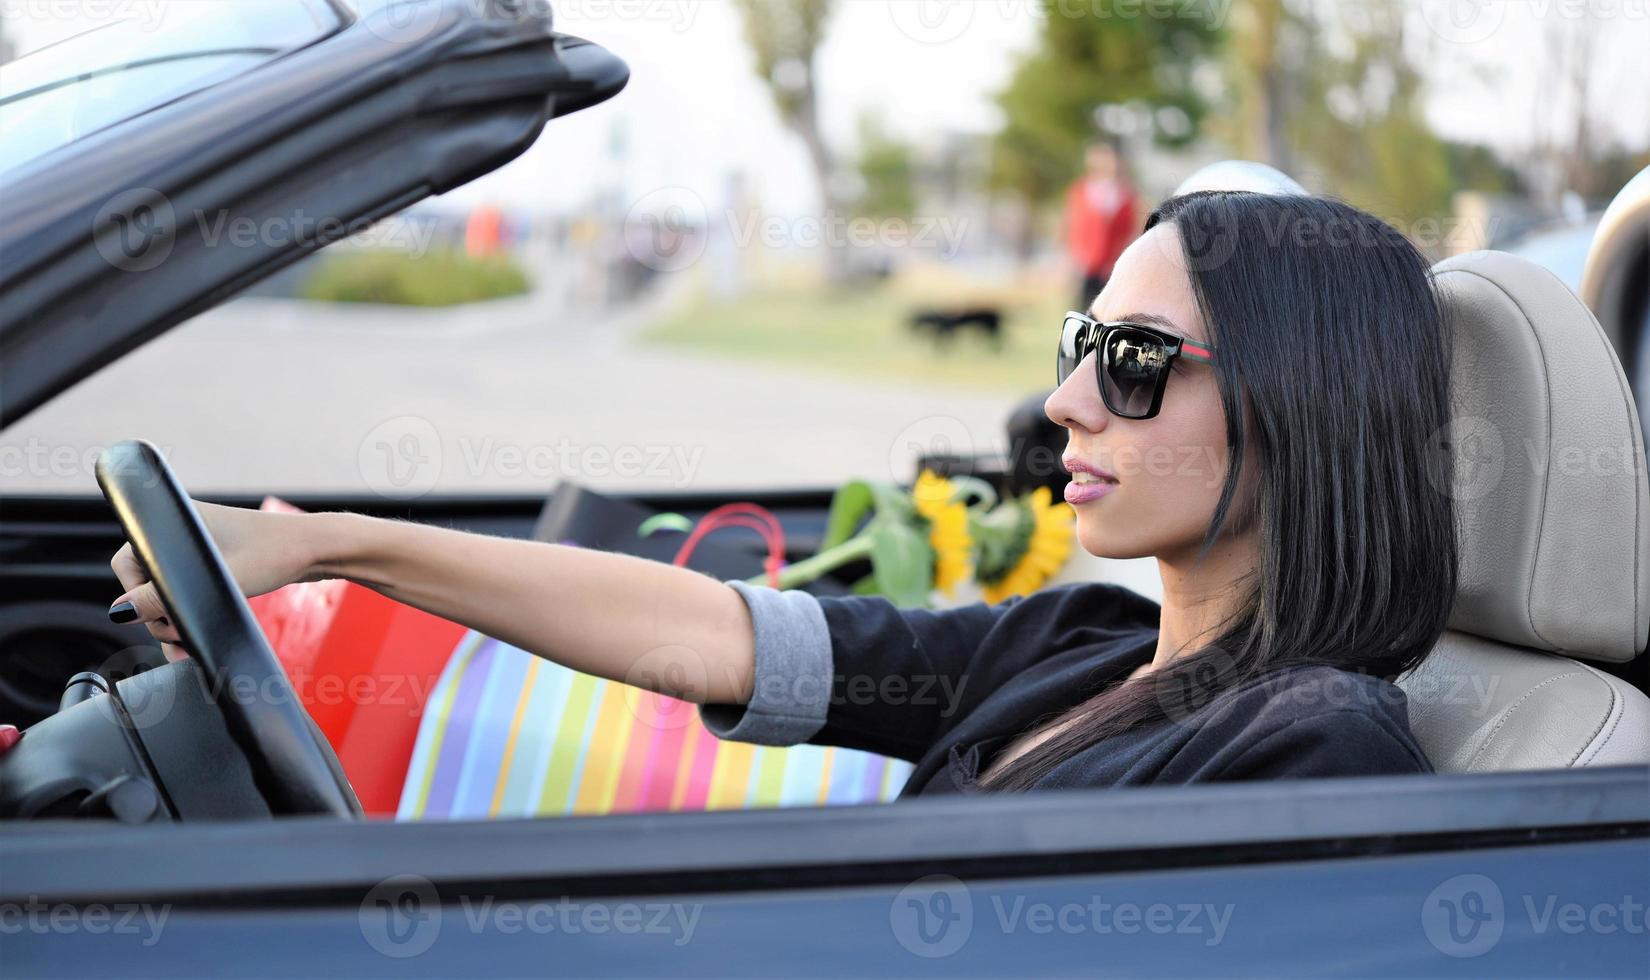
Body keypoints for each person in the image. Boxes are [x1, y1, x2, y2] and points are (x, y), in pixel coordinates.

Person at [106, 192, 1457, 796]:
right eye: (1078, 343)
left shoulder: (1316, 746)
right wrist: (338, 546)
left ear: (1305, 408)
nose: (1066, 404)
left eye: (1138, 363)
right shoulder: (1071, 647)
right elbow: (712, 634)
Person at [1063, 140, 1139, 312]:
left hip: (1111, 263)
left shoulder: (1125, 194)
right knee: (1082, 310)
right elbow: (1074, 226)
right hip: (1085, 262)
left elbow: (1128, 230)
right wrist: (1074, 258)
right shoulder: (1080, 190)